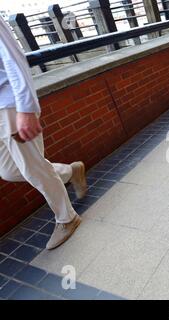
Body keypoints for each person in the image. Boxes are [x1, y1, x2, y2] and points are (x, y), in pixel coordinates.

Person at [0, 17, 86, 250]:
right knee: (9, 171)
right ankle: (70, 171)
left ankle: (67, 218)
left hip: (8, 105)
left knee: (33, 168)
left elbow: (13, 60)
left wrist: (26, 109)